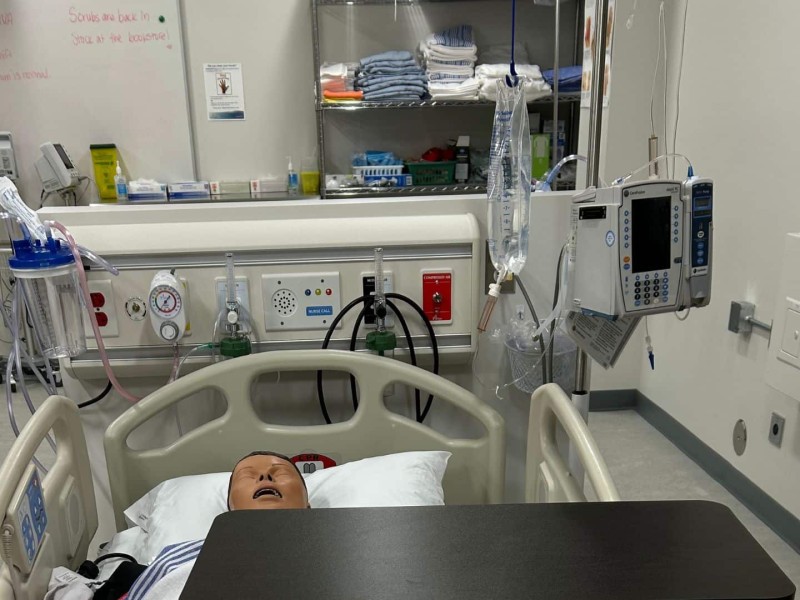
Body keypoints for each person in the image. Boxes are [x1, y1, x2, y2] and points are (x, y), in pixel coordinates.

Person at [127, 451, 309, 600]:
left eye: (281, 473)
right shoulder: (178, 558)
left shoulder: (333, 548)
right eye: (247, 476)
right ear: (230, 507)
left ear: (309, 507)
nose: (265, 476)